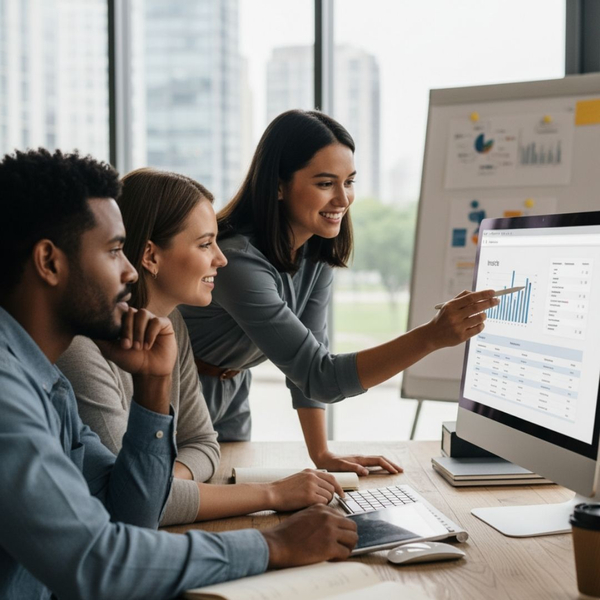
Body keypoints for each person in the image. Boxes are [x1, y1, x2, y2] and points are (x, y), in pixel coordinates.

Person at [0, 148, 357, 600]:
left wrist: (153, 388)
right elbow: (96, 562)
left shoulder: (46, 384)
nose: (129, 271)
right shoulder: (8, 395)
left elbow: (132, 516)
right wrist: (273, 544)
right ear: (50, 262)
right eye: (113, 252)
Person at [181, 109, 499, 473]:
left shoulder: (314, 254)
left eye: (349, 181)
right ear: (279, 186)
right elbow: (321, 376)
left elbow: (306, 366)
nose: (343, 199)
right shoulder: (237, 262)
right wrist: (431, 336)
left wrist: (321, 453)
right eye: (324, 183)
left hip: (233, 389)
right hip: (183, 392)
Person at [57, 167, 344, 526]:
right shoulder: (81, 352)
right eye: (205, 244)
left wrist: (155, 483)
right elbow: (127, 503)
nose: (221, 259)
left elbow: (205, 444)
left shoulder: (170, 324)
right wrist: (272, 494)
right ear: (150, 256)